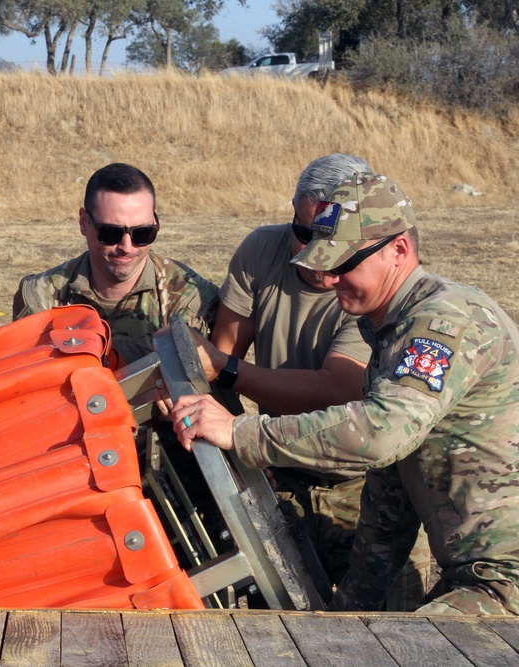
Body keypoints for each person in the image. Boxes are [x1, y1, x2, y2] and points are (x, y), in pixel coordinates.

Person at [172, 172, 519, 615]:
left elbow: (379, 434)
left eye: (344, 265)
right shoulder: (390, 330)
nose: (329, 278)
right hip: (475, 572)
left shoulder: (443, 324)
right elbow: (389, 494)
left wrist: (242, 433)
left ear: (399, 250)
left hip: (508, 578)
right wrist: (351, 613)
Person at [191, 154, 430, 610]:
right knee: (278, 631)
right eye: (305, 234)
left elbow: (337, 389)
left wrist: (231, 387)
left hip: (364, 487)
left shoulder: (377, 291)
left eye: (333, 241)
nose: (316, 255)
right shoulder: (262, 251)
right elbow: (222, 352)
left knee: (393, 631)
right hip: (279, 470)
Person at [12, 162, 218, 365]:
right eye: (110, 233)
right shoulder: (40, 297)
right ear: (84, 223)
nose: (127, 247)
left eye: (142, 233)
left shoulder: (191, 300)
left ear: (155, 223)